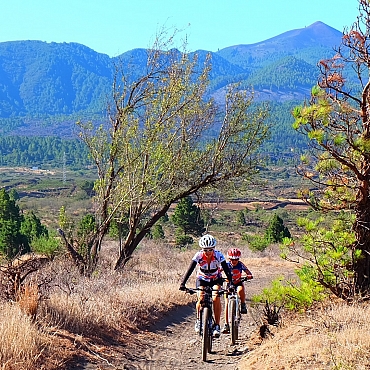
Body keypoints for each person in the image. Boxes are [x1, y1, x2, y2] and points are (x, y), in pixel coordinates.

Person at [179, 234, 233, 338]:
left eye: (210, 250)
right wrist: (183, 283)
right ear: (202, 249)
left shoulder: (219, 255)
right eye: (205, 250)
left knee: (216, 296)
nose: (208, 252)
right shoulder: (198, 255)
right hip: (202, 279)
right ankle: (199, 320)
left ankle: (217, 325)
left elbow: (226, 270)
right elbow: (190, 269)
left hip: (215, 278)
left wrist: (230, 283)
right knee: (201, 297)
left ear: (214, 249)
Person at [222, 247, 253, 334]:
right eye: (232, 259)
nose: (234, 261)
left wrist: (249, 276)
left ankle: (243, 304)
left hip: (238, 282)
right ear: (229, 259)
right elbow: (218, 271)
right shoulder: (226, 265)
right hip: (229, 284)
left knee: (240, 290)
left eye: (236, 259)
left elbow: (248, 272)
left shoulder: (241, 264)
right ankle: (226, 324)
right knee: (227, 303)